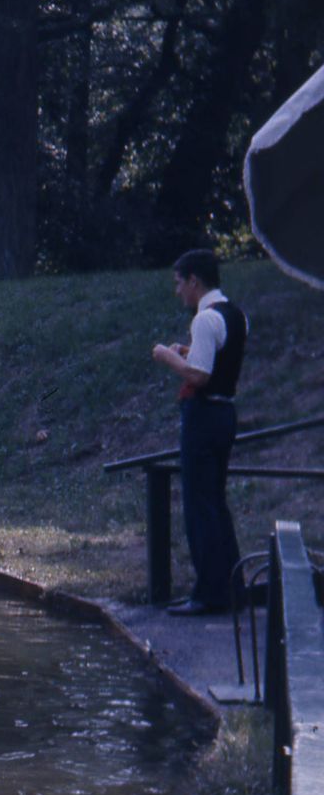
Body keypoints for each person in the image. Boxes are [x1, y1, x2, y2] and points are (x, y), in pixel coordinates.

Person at [151, 248, 247, 614]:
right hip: (225, 414)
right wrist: (190, 350)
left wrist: (168, 356)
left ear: (194, 281)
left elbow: (199, 375)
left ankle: (208, 593)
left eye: (179, 283)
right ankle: (231, 588)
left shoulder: (205, 319)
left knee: (198, 505)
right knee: (215, 502)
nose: (177, 290)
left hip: (203, 416)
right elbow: (218, 357)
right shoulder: (236, 315)